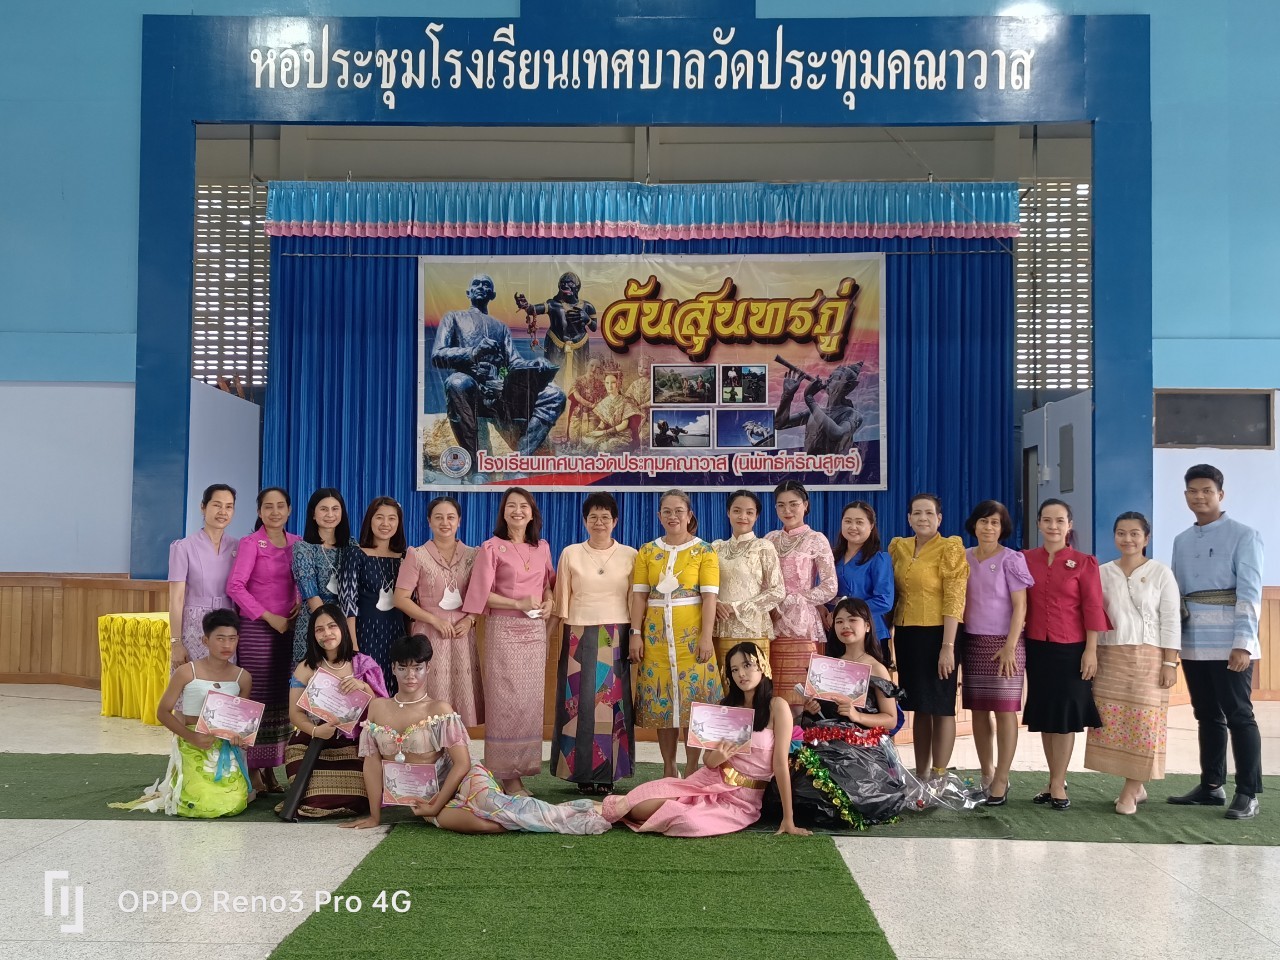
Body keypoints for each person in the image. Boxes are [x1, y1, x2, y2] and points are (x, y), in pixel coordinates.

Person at [345, 635, 608, 835]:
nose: (410, 675)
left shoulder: (439, 709)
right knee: (483, 825)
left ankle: (589, 811)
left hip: (463, 778)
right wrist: (375, 816)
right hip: (425, 795)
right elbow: (372, 763)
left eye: (417, 668)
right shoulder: (378, 707)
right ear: (392, 668)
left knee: (497, 807)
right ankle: (560, 813)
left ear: (428, 668)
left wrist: (436, 805)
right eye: (403, 668)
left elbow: (462, 764)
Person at [602, 641, 810, 838]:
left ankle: (671, 809)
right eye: (734, 669)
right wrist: (719, 757)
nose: (741, 674)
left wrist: (788, 819)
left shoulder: (777, 707)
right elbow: (709, 761)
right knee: (639, 806)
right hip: (708, 781)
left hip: (743, 799)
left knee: (689, 822)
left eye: (747, 665)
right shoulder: (726, 707)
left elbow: (780, 765)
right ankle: (613, 808)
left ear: (762, 666)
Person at [1168, 464, 1264, 820]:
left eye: (1207, 490)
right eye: (1193, 491)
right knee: (1206, 714)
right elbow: (1176, 595)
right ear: (1185, 496)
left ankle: (1248, 792)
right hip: (1193, 642)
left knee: (1239, 715)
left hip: (1230, 644)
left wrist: (1244, 643)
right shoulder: (1181, 540)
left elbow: (1250, 592)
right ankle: (1211, 785)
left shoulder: (1244, 535)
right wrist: (1173, 644)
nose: (1200, 497)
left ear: (1220, 494)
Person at [462, 487, 556, 796]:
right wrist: (517, 604)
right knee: (506, 703)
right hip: (504, 630)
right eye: (511, 506)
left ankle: (522, 771)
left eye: (523, 506)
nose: (517, 511)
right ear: (503, 513)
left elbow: (548, 584)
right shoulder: (491, 547)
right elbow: (479, 595)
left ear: (532, 513)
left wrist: (549, 601)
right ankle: (506, 777)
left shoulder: (542, 547)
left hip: (535, 632)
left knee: (529, 704)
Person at [793, 597, 918, 827]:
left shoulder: (877, 668)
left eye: (852, 620)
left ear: (867, 626)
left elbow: (890, 719)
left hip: (862, 748)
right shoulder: (828, 666)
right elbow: (822, 716)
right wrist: (812, 709)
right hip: (826, 742)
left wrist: (856, 716)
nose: (845, 626)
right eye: (839, 621)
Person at [1085, 512, 1180, 815]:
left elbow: (1171, 619)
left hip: (1149, 657)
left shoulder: (1161, 573)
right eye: (1121, 533)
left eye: (1135, 533)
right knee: (1114, 723)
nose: (1128, 539)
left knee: (1144, 724)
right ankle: (1137, 787)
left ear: (1146, 538)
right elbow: (1092, 615)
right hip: (1110, 655)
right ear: (1114, 536)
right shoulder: (1102, 572)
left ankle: (1130, 790)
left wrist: (1170, 663)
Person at [1022, 498, 1111, 811]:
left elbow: (1093, 607)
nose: (1053, 526)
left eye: (1060, 520)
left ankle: (1059, 781)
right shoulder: (1025, 559)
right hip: (1037, 647)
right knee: (1047, 716)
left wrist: (1091, 650)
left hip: (1072, 649)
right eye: (1047, 520)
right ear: (1038, 523)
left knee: (1065, 718)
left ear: (1069, 525)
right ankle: (1052, 779)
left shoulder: (1085, 562)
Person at [120, 609, 254, 818]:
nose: (227, 645)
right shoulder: (186, 672)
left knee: (234, 803)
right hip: (192, 742)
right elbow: (163, 712)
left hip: (224, 748)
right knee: (200, 801)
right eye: (220, 638)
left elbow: (240, 721)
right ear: (205, 640)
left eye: (232, 639)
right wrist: (191, 737)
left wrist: (240, 738)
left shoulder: (243, 677)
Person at [549, 492, 639, 795]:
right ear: (585, 521)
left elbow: (635, 599)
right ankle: (579, 773)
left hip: (616, 634)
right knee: (577, 703)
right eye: (593, 517)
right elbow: (561, 600)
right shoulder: (571, 553)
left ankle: (609, 774)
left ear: (615, 521)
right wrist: (547, 637)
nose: (599, 522)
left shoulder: (630, 555)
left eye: (605, 517)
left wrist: (635, 633)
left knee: (611, 704)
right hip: (577, 633)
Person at [631, 489, 723, 778]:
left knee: (694, 705)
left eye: (679, 511)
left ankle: (692, 767)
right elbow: (639, 596)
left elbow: (710, 598)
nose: (673, 516)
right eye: (667, 512)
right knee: (664, 704)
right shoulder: (647, 551)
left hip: (691, 640)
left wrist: (706, 636)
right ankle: (669, 768)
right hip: (656, 641)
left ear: (689, 515)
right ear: (659, 516)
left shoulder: (704, 551)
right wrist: (635, 632)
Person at [431, 273, 566, 461]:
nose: (481, 287)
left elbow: (515, 362)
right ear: (468, 292)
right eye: (476, 284)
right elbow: (437, 355)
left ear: (493, 295)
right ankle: (476, 464)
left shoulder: (501, 327)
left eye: (486, 284)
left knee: (555, 395)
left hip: (500, 394)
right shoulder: (453, 317)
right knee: (457, 382)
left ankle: (519, 461)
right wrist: (473, 352)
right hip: (471, 392)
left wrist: (534, 363)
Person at [887, 493, 969, 781]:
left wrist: (948, 647)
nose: (923, 518)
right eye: (917, 513)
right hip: (907, 636)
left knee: (942, 706)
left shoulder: (950, 547)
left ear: (939, 518)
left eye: (929, 513)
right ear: (909, 518)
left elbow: (955, 599)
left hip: (940, 635)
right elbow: (893, 595)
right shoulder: (899, 547)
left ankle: (939, 776)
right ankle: (921, 775)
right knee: (920, 706)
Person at [280, 603, 388, 818]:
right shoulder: (305, 667)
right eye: (319, 629)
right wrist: (315, 731)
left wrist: (364, 688)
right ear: (313, 635)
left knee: (358, 797)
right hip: (311, 742)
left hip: (353, 743)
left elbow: (383, 712)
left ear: (342, 628)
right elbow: (295, 714)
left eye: (332, 626)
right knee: (312, 797)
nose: (326, 633)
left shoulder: (363, 663)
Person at [226, 486, 300, 793]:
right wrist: (270, 617)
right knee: (256, 698)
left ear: (289, 510)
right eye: (268, 506)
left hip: (290, 631)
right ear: (259, 512)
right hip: (258, 629)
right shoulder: (250, 543)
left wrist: (298, 605)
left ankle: (272, 768)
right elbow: (235, 586)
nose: (275, 512)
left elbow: (301, 581)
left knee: (282, 701)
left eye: (281, 506)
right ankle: (253, 769)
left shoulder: (297, 543)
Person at [960, 500, 1034, 805]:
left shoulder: (1012, 559)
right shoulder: (963, 557)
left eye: (995, 522)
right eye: (983, 521)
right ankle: (986, 774)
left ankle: (1002, 778)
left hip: (1006, 645)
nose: (988, 527)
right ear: (974, 524)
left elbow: (1021, 606)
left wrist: (1010, 647)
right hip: (973, 643)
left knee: (1005, 711)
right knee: (979, 711)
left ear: (1003, 528)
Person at [393, 496, 482, 723]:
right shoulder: (417, 554)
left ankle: (460, 743)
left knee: (462, 697)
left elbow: (481, 594)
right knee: (431, 695)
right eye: (438, 517)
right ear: (429, 521)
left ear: (459, 521)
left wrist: (470, 619)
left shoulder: (474, 555)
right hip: (429, 634)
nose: (445, 522)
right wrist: (434, 620)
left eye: (451, 517)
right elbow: (400, 599)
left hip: (462, 635)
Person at [766, 481, 837, 715]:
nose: (787, 510)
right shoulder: (770, 539)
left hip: (802, 624)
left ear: (805, 505)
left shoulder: (816, 539)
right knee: (773, 694)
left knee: (802, 697)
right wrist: (770, 604)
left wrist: (794, 600)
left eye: (793, 504)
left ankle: (801, 739)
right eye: (781, 505)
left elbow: (830, 586)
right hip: (772, 621)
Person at [710, 490, 784, 673]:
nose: (743, 517)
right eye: (737, 511)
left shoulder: (763, 547)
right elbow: (703, 586)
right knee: (725, 680)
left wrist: (737, 607)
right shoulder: (716, 547)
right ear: (728, 512)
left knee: (754, 680)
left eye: (749, 512)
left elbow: (777, 590)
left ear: (756, 516)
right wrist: (715, 603)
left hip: (753, 627)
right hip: (721, 625)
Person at [167, 483, 238, 668]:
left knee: (225, 680)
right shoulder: (183, 547)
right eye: (217, 505)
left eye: (229, 507)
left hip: (228, 624)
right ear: (203, 507)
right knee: (193, 679)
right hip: (194, 625)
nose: (223, 512)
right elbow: (176, 598)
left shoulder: (239, 547)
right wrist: (175, 642)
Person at [340, 497, 408, 688]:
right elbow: (348, 604)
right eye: (379, 517)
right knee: (369, 688)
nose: (385, 523)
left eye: (392, 518)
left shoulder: (406, 557)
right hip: (365, 634)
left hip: (398, 634)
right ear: (370, 520)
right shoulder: (355, 554)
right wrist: (353, 647)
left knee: (397, 689)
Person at [291, 487, 354, 664]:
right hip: (315, 620)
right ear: (313, 514)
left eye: (335, 509)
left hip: (346, 621)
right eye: (324, 509)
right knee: (311, 674)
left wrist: (344, 628)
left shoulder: (352, 546)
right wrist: (330, 628)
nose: (330, 514)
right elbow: (310, 594)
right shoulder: (303, 548)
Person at [827, 500, 894, 645]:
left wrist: (846, 612)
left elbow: (884, 601)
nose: (853, 527)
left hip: (868, 633)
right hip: (835, 631)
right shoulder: (830, 557)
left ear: (871, 526)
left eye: (859, 522)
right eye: (848, 521)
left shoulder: (879, 559)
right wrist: (820, 607)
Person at [515, 271, 598, 388]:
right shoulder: (553, 304)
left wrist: (587, 319)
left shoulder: (587, 306)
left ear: (577, 287)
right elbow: (532, 309)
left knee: (580, 378)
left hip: (580, 346)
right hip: (556, 345)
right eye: (563, 283)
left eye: (570, 283)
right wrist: (526, 305)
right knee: (553, 378)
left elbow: (594, 327)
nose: (565, 285)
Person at [774, 361, 864, 454]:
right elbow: (779, 425)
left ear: (848, 386)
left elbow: (837, 434)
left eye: (836, 378)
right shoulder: (812, 412)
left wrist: (810, 400)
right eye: (830, 377)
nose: (828, 380)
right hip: (810, 463)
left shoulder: (853, 414)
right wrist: (787, 396)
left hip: (834, 463)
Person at [578, 371, 641, 452]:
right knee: (585, 440)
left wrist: (603, 432)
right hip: (608, 434)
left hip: (622, 435)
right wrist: (595, 432)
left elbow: (624, 425)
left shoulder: (625, 401)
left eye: (613, 382)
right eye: (607, 383)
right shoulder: (604, 402)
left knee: (607, 447)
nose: (609, 386)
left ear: (618, 383)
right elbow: (603, 423)